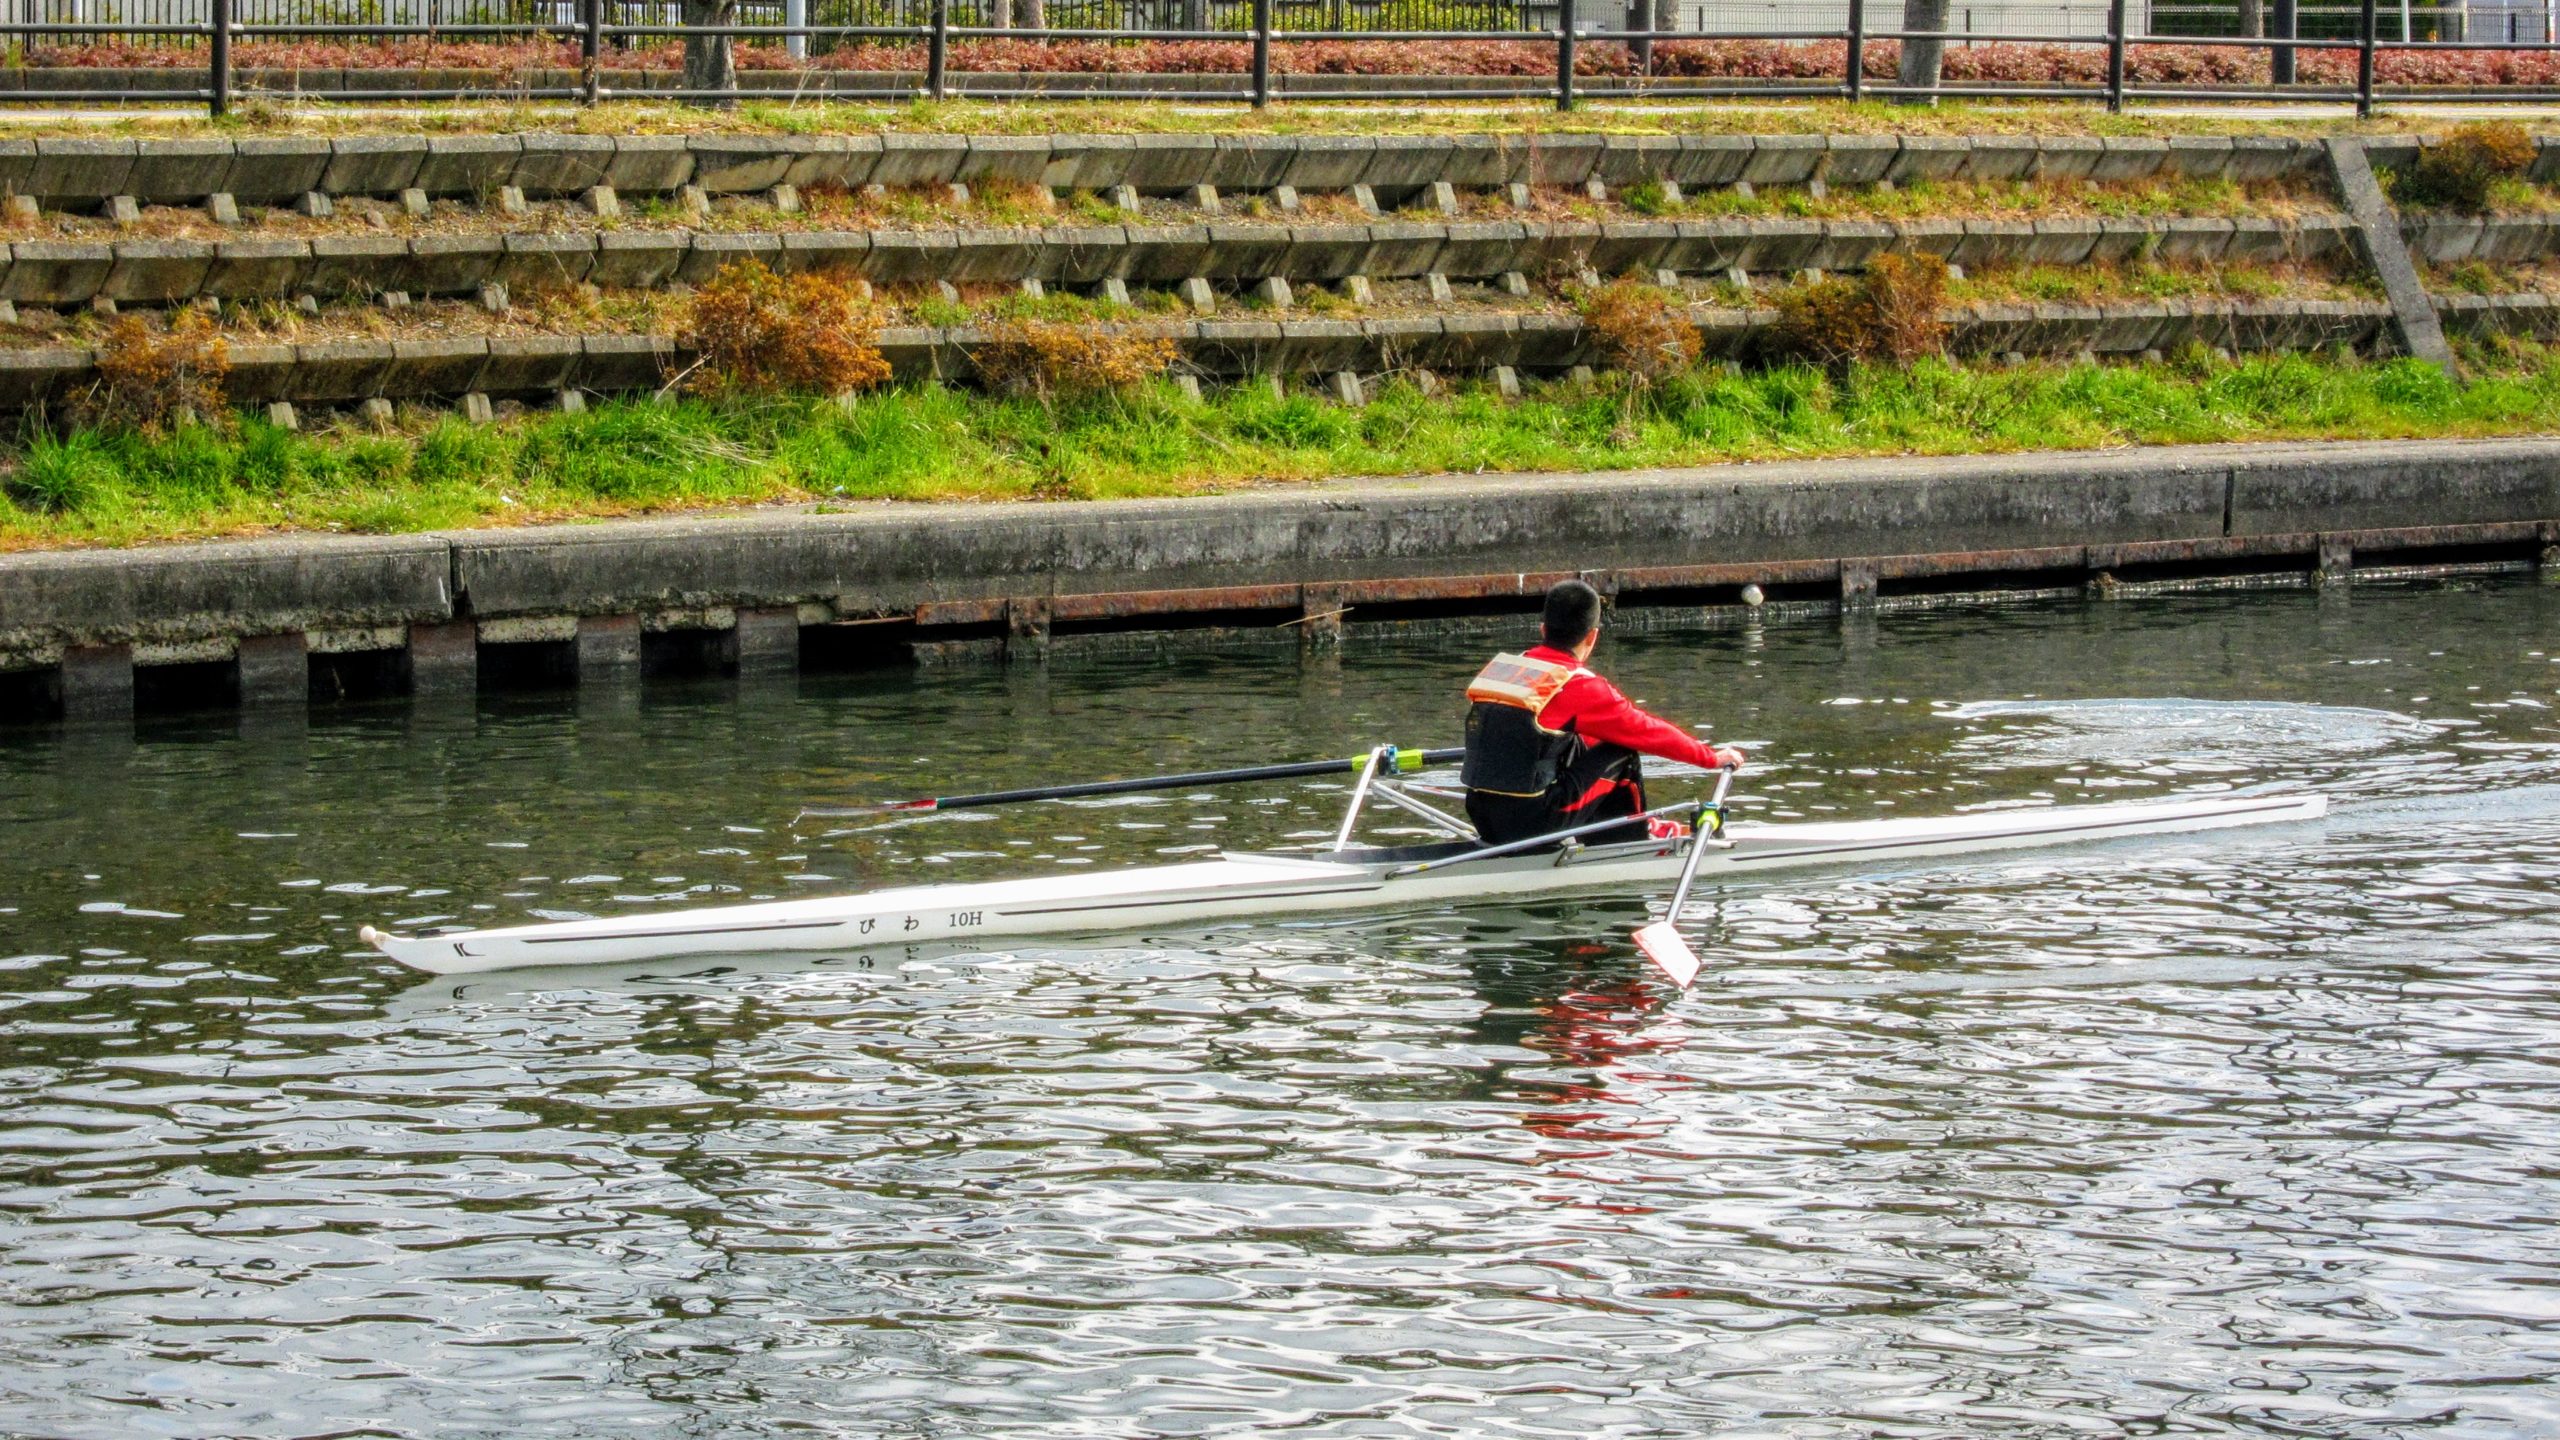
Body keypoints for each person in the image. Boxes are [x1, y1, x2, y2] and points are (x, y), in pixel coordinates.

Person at [1460, 579, 1743, 847]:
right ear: (1592, 636)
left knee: (1581, 741)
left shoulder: (1506, 668)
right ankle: (1632, 841)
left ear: (1543, 630)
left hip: (1481, 814)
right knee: (1623, 751)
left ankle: (1602, 832)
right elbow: (1647, 731)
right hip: (1533, 825)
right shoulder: (1579, 684)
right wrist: (1711, 758)